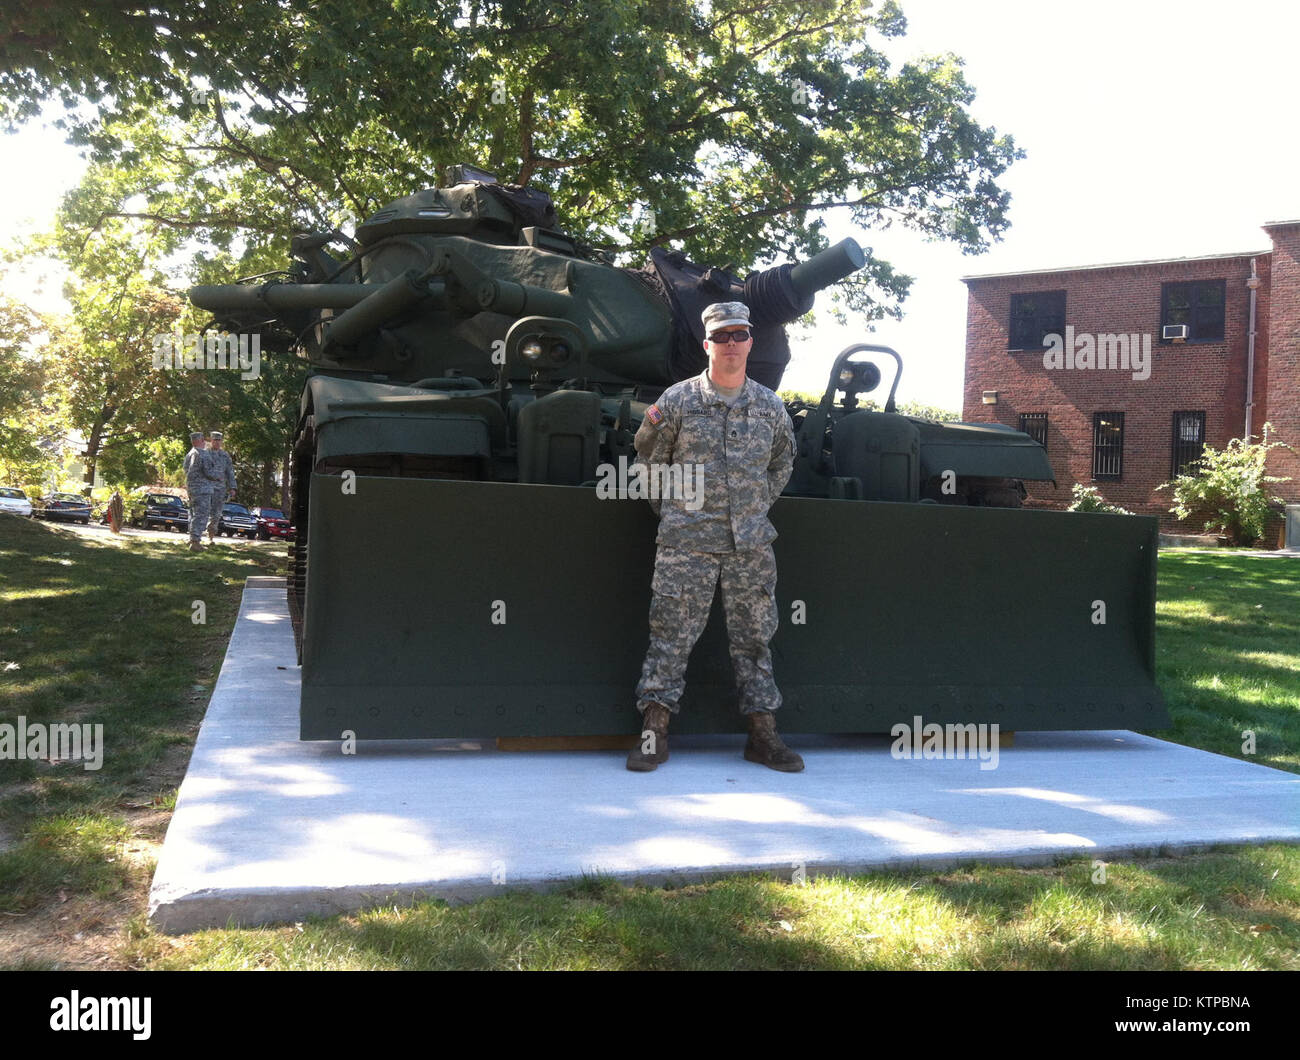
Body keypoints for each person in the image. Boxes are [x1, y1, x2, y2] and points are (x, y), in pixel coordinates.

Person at [627, 301, 803, 773]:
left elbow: (782, 463)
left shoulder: (769, 407)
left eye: (739, 335)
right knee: (670, 636)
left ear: (750, 342)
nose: (731, 344)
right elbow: (648, 465)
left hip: (750, 546)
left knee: (755, 640)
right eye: (721, 336)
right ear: (707, 344)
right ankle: (653, 732)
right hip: (687, 544)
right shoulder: (678, 402)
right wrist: (677, 514)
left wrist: (751, 507)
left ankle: (763, 736)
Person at [204, 431, 237, 543]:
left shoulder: (225, 456)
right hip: (205, 488)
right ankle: (195, 538)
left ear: (221, 441)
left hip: (219, 490)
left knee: (216, 514)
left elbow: (230, 472)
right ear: (211, 440)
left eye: (219, 440)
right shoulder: (205, 453)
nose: (217, 442)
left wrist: (232, 487)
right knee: (202, 511)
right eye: (215, 440)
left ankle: (211, 536)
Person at [183, 431, 213, 552]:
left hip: (192, 489)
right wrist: (219, 477)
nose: (205, 442)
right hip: (202, 489)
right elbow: (209, 472)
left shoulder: (190, 454)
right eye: (203, 439)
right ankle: (195, 542)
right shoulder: (202, 453)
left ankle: (192, 539)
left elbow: (185, 469)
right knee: (202, 515)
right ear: (200, 440)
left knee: (194, 514)